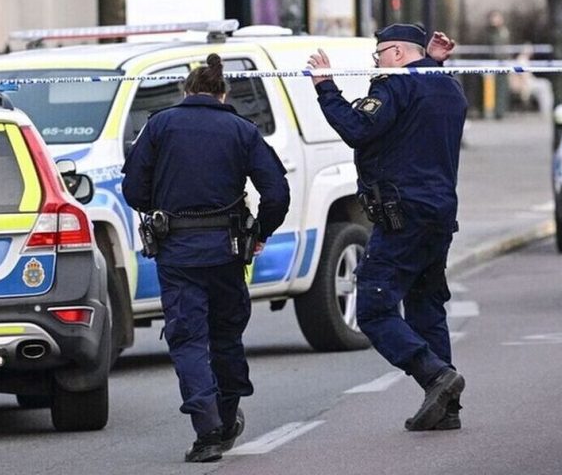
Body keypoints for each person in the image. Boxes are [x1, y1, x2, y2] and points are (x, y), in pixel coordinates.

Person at [121, 53, 290, 462]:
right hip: (229, 251)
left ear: (186, 91)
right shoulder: (241, 128)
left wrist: (160, 207)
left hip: (177, 253)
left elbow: (133, 190)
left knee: (188, 339)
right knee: (227, 334)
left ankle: (208, 428)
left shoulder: (159, 125)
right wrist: (261, 232)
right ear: (223, 93)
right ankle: (228, 415)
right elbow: (277, 193)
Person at [306, 24, 467, 432]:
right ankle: (446, 408)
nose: (376, 64)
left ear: (396, 53)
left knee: (374, 309)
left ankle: (434, 376)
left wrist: (326, 86)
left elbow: (358, 129)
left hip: (403, 215)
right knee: (426, 307)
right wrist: (431, 61)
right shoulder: (448, 86)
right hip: (439, 214)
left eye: (379, 56)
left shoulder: (394, 86)